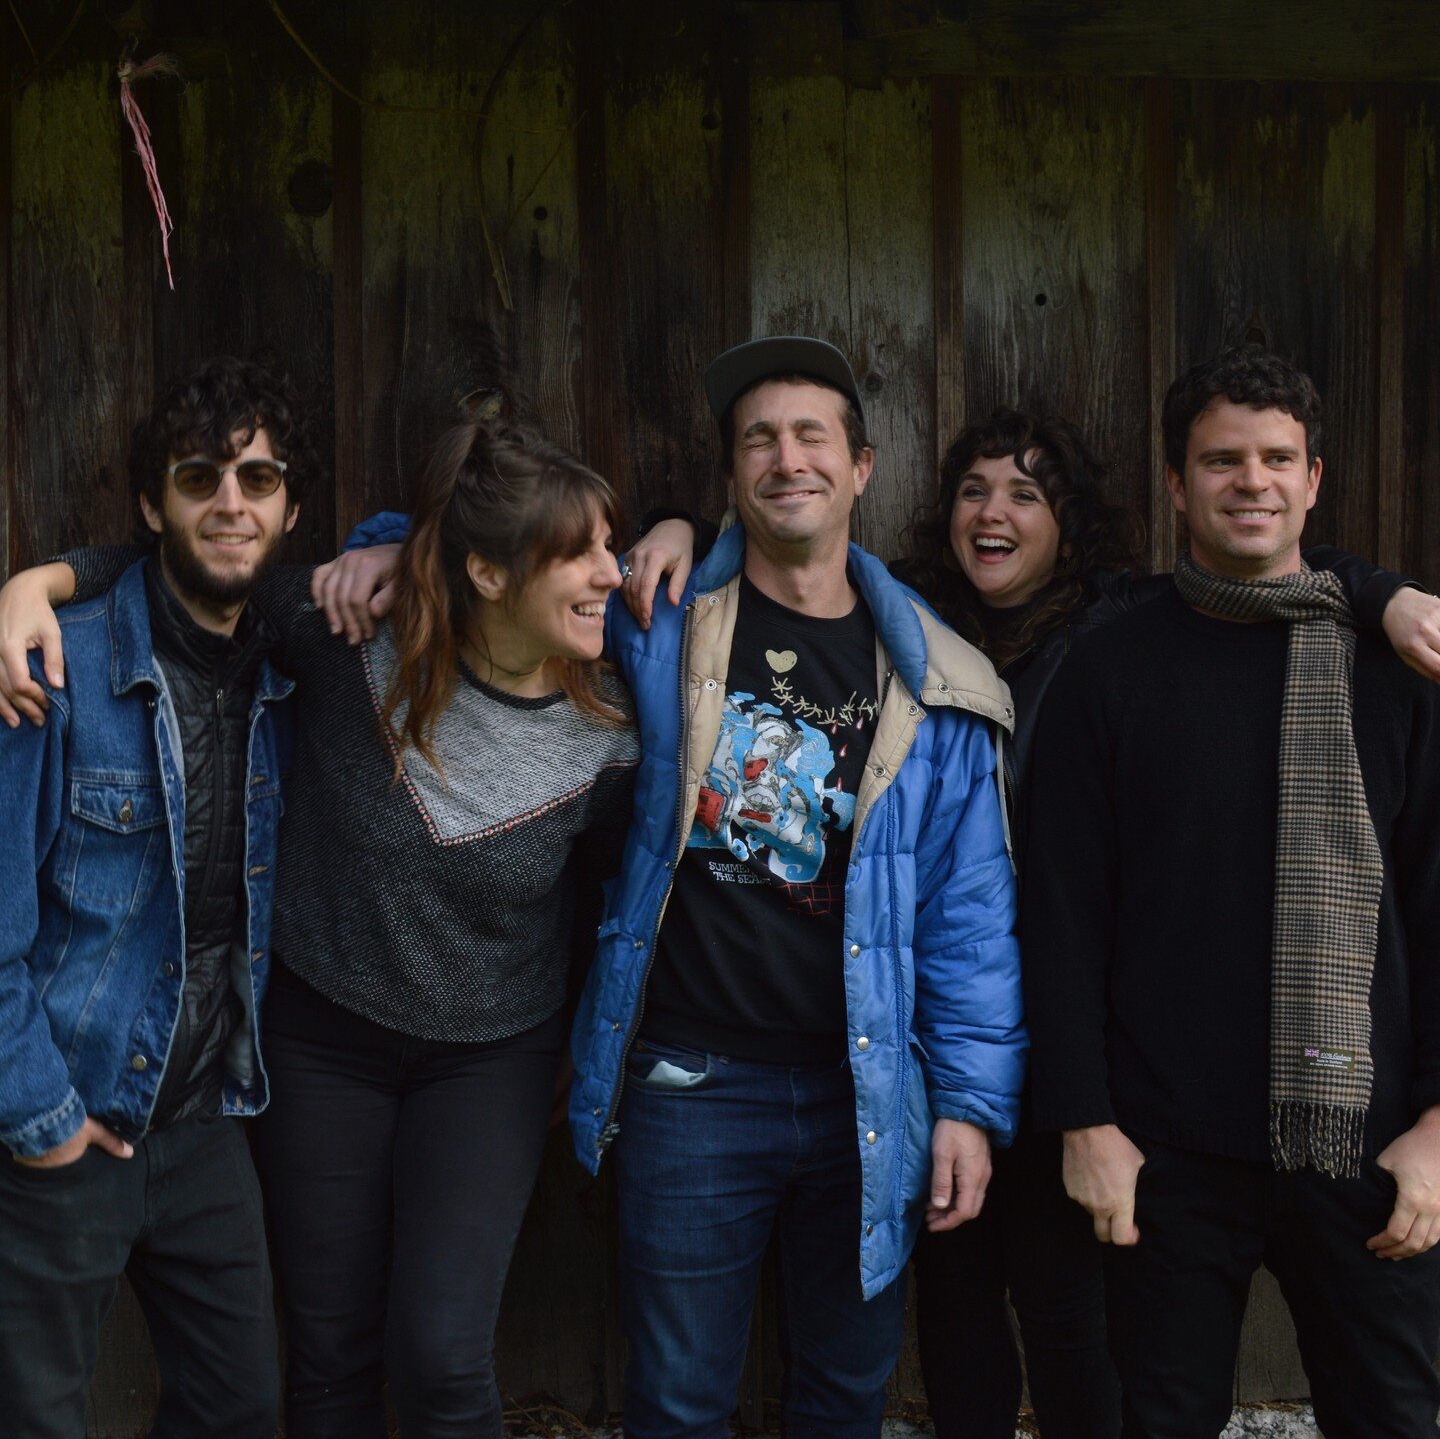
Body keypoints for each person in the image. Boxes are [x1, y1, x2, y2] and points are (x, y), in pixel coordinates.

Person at [624, 405, 1440, 1438]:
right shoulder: (901, 630)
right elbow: (784, 566)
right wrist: (675, 524)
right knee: (957, 1297)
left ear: (1071, 523)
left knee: (1070, 1316)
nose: (994, 512)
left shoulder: (1117, 628)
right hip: (931, 1024)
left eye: (1026, 493)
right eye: (974, 490)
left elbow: (1265, 560)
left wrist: (1381, 590)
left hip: (1072, 1033)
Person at [320, 335, 1026, 1436]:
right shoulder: (651, 621)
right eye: (760, 440)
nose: (786, 458)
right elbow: (494, 559)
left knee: (844, 1396)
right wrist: (376, 547)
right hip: (692, 1082)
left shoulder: (941, 686)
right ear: (733, 472)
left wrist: (973, 1110)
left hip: (868, 1096)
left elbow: (971, 919)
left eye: (811, 437)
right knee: (678, 1401)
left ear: (861, 468)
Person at [0, 416, 639, 1439]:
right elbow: (191, 581)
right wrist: (39, 584)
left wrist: (585, 1042)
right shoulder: (344, 636)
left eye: (611, 545)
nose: (612, 573)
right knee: (328, 1352)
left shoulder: (617, 720)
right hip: (320, 1038)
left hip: (490, 1057)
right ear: (484, 571)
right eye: (580, 553)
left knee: (440, 1357)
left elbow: (617, 895)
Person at [1021, 346, 1440, 1439]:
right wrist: (1085, 1121)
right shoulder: (1110, 670)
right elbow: (1059, 917)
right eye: (1220, 461)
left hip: (1370, 1140)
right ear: (1177, 486)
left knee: (1396, 1415)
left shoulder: (1394, 670)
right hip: (1166, 1147)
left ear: (1313, 481)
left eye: (1274, 459)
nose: (1249, 481)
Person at [0, 356, 310, 1439]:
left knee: (239, 1411)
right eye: (199, 478)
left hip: (203, 1123)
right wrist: (40, 1121)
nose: (232, 503)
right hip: (60, 1119)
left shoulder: (288, 673)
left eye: (259, 479)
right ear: (151, 504)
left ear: (289, 507)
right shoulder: (53, 667)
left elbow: (433, 556)